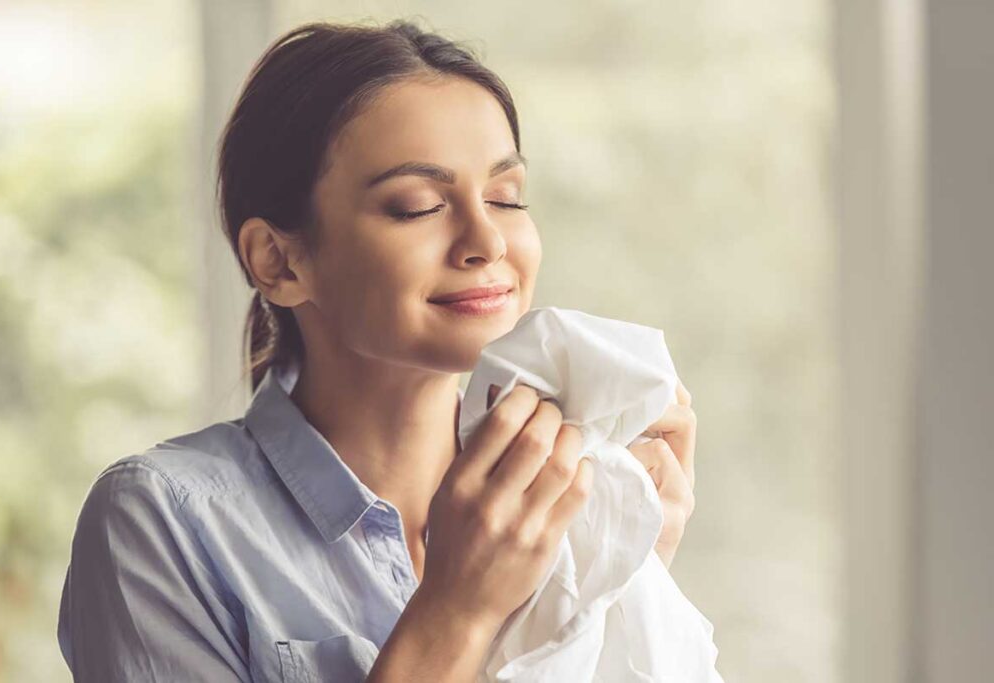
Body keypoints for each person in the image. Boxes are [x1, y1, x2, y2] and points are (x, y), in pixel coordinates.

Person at [57, 18, 699, 682]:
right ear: (279, 261)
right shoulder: (160, 520)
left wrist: (625, 574)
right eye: (418, 205)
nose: (487, 240)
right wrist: (456, 612)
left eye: (506, 197)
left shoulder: (559, 507)